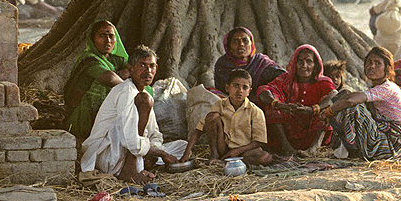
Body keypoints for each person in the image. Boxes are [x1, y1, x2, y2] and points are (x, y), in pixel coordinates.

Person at [80, 46, 187, 184]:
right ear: (131, 69)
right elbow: (129, 140)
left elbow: (155, 134)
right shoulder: (127, 91)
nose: (148, 71)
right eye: (142, 65)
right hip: (108, 155)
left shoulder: (145, 93)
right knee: (143, 106)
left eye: (152, 66)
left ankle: (141, 165)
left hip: (133, 150)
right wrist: (159, 153)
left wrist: (156, 151)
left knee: (182, 147)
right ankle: (129, 170)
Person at [321, 46, 401, 160]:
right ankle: (346, 148)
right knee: (344, 96)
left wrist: (328, 112)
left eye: (378, 63)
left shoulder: (387, 88)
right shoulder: (379, 87)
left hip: (390, 147)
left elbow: (350, 100)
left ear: (386, 69)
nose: (372, 66)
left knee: (353, 107)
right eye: (369, 62)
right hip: (383, 139)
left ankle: (351, 149)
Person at [180, 69, 273, 166]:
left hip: (244, 151)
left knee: (265, 157)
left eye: (244, 88)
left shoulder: (255, 111)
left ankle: (226, 162)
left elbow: (259, 141)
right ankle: (215, 156)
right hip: (223, 149)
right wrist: (186, 153)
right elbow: (199, 129)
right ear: (227, 88)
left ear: (249, 91)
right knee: (212, 116)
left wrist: (236, 151)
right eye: (236, 86)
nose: (240, 91)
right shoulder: (220, 105)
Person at [257, 45, 337, 155]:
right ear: (295, 63)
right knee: (272, 107)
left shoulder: (323, 82)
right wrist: (279, 105)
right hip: (290, 130)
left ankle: (315, 148)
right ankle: (287, 148)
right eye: (300, 61)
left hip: (312, 130)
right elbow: (264, 90)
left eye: (309, 61)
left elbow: (334, 95)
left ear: (315, 65)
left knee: (328, 109)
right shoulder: (285, 80)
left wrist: (312, 109)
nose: (304, 66)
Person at [64, 20, 137, 140]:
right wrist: (133, 90)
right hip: (82, 118)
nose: (107, 40)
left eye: (111, 36)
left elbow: (135, 69)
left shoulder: (115, 60)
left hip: (103, 114)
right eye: (102, 35)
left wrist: (128, 71)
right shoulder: (89, 59)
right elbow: (109, 78)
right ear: (93, 39)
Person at [213, 27, 285, 102]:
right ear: (229, 47)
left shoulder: (261, 62)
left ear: (252, 44)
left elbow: (285, 79)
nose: (241, 44)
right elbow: (221, 90)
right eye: (236, 41)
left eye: (245, 40)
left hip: (261, 104)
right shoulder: (223, 65)